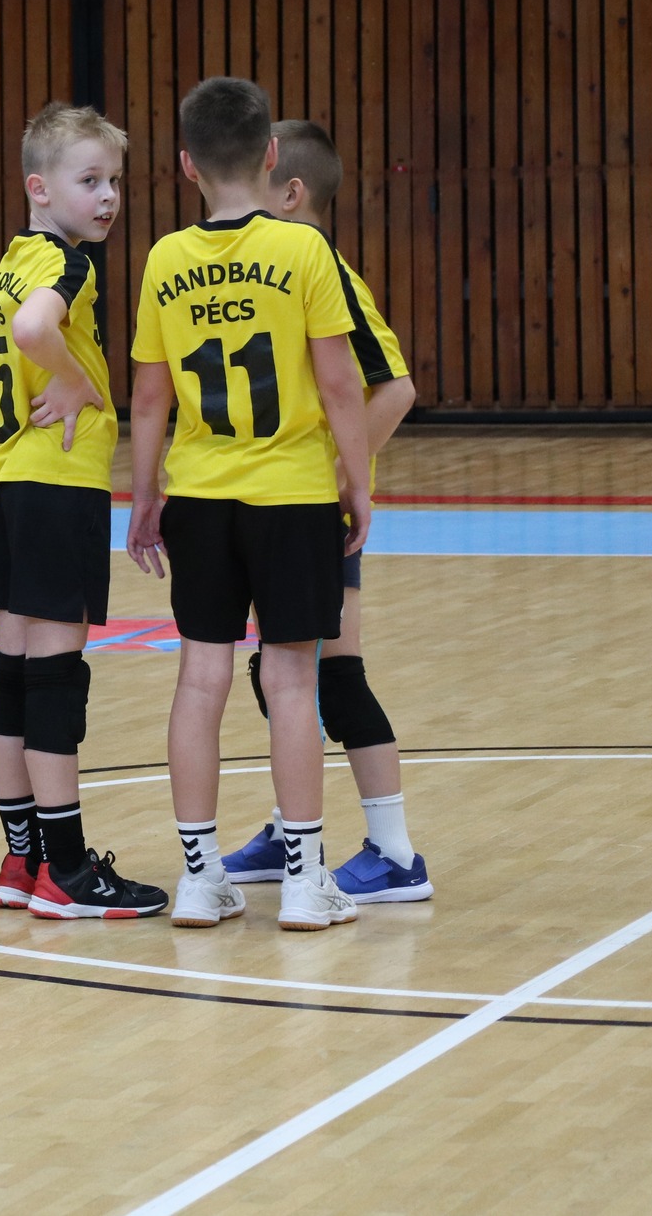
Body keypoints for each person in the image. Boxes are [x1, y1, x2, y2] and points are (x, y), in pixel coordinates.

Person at [124, 77, 374, 933]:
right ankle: (304, 881)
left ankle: (200, 879)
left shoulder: (165, 259)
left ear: (186, 164)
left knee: (201, 678)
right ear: (271, 154)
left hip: (199, 493)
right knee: (292, 677)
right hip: (292, 494)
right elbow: (340, 383)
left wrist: (144, 495)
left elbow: (149, 397)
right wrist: (357, 481)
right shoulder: (304, 251)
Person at [0, 102, 166, 921]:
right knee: (57, 678)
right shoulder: (66, 265)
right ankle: (67, 869)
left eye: (114, 182)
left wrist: (35, 374)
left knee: (15, 673)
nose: (108, 197)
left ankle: (23, 857)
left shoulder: (12, 262)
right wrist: (72, 382)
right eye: (89, 180)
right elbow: (36, 329)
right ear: (40, 187)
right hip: (60, 482)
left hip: (8, 481)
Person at [217, 118, 432, 904]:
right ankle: (291, 827)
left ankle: (395, 852)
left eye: (254, 181)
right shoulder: (277, 269)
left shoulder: (325, 270)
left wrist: (344, 475)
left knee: (331, 674)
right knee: (285, 672)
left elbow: (396, 386)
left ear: (290, 193)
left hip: (318, 509)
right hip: (278, 500)